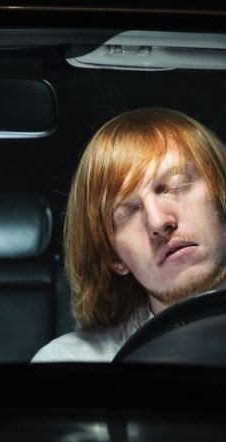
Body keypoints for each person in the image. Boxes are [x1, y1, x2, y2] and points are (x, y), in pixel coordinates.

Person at [33, 107, 226, 362]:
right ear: (114, 257)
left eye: (175, 186)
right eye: (128, 211)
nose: (158, 221)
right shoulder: (70, 362)